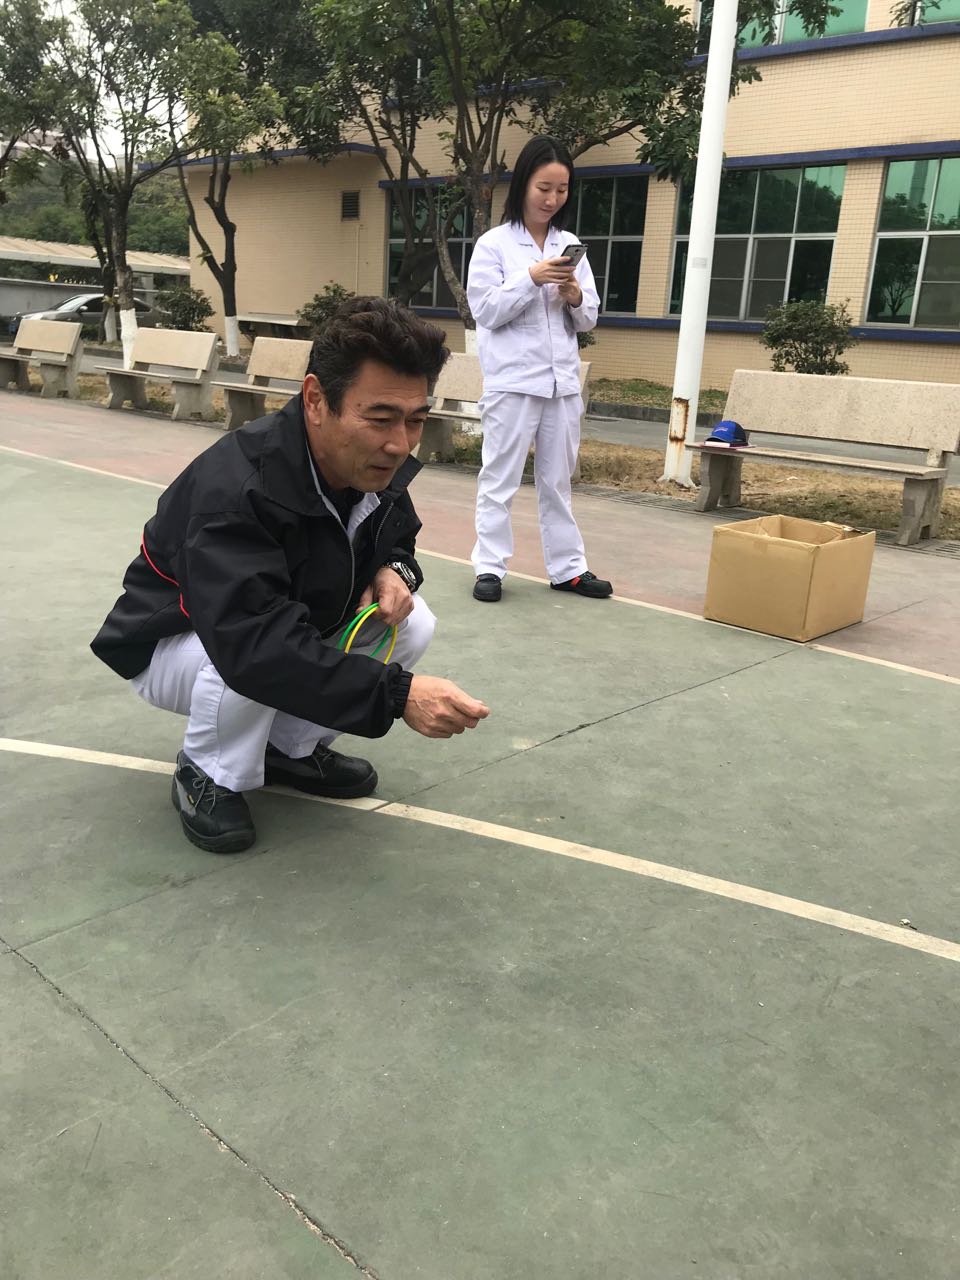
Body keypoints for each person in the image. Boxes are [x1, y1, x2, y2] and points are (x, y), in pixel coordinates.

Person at [91, 297, 489, 855]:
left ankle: (288, 749)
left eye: (416, 420)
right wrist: (398, 695)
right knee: (246, 658)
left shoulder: (367, 464)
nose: (400, 443)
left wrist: (395, 570)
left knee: (412, 621)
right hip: (176, 645)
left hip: (282, 621)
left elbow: (398, 537)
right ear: (316, 399)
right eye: (380, 419)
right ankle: (206, 772)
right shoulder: (238, 489)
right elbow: (251, 641)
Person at [466, 135, 613, 604]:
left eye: (561, 190)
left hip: (561, 382)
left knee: (558, 481)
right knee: (500, 477)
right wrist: (530, 279)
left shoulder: (569, 245)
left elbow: (588, 317)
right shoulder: (493, 245)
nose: (552, 199)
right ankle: (490, 567)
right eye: (543, 188)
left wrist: (574, 296)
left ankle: (568, 569)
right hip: (513, 381)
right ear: (523, 185)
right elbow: (485, 310)